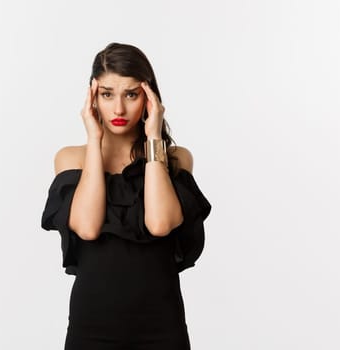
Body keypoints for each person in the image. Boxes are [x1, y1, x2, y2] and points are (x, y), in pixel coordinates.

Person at [40, 42, 212, 349]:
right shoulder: (70, 159)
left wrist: (154, 136)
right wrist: (94, 139)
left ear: (149, 98)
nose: (118, 109)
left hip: (162, 325)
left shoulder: (174, 159)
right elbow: (88, 227)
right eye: (107, 94)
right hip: (92, 325)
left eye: (131, 94)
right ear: (93, 98)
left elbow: (159, 223)